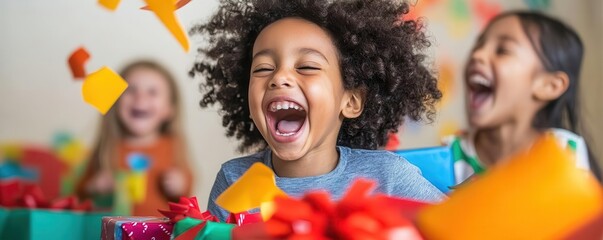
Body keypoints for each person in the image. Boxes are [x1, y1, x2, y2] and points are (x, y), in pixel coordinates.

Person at [189, 0, 446, 221]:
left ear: (351, 101)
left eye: (307, 67)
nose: (279, 77)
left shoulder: (388, 177)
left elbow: (458, 225)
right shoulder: (232, 179)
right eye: (263, 68)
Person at [445, 11, 601, 185]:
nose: (476, 55)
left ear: (550, 86)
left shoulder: (564, 151)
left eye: (502, 50)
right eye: (477, 46)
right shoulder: (449, 154)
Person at [76, 60, 193, 216]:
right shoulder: (108, 147)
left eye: (152, 92)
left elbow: (187, 188)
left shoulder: (172, 145)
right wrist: (95, 186)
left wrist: (180, 184)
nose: (140, 97)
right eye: (130, 90)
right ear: (115, 101)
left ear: (169, 109)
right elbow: (79, 193)